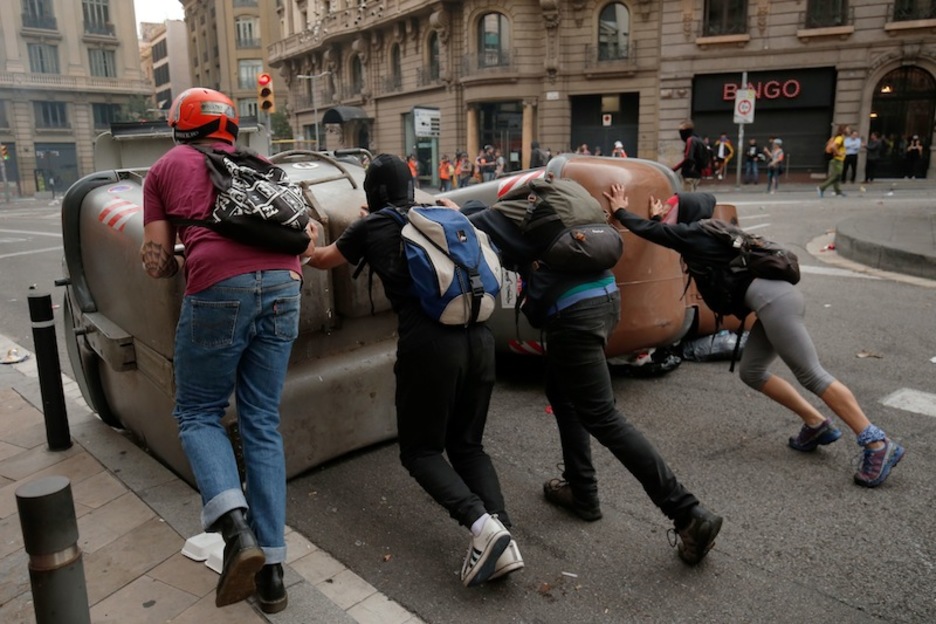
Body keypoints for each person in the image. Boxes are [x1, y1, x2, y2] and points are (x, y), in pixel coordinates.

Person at [451, 187, 723, 568]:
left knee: (602, 416)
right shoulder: (546, 212)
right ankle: (582, 490)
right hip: (605, 299)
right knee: (561, 392)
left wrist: (449, 208)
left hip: (574, 314)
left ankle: (688, 513)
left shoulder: (493, 219)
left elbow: (462, 222)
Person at [305, 154, 522, 587]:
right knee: (468, 446)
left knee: (420, 452)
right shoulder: (441, 213)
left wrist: (307, 241)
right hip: (479, 337)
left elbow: (324, 259)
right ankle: (503, 537)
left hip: (430, 346)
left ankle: (483, 528)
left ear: (373, 192)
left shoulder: (371, 226)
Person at [141, 88, 319, 613]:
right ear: (230, 128)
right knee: (262, 419)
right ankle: (273, 575)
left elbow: (155, 262)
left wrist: (176, 256)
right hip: (286, 288)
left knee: (198, 412)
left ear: (180, 126)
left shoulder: (164, 168)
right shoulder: (261, 164)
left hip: (219, 291)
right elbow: (306, 240)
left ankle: (235, 530)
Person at [604, 185, 905, 488]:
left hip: (775, 302)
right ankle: (816, 424)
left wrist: (619, 210)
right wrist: (659, 219)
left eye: (672, 210)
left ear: (686, 214)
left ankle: (876, 443)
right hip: (773, 301)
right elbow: (665, 233)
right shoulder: (709, 231)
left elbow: (651, 232)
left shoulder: (695, 232)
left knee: (812, 374)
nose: (669, 216)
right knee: (752, 372)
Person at [673, 119, 706, 192]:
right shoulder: (699, 139)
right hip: (697, 173)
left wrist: (674, 169)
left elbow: (688, 158)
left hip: (689, 174)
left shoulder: (690, 140)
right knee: (692, 196)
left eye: (681, 130)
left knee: (687, 198)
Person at [818, 124, 849, 198]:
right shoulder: (840, 138)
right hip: (837, 160)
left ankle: (838, 191)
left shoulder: (838, 137)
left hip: (836, 159)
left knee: (837, 176)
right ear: (843, 130)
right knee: (836, 176)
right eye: (847, 129)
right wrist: (839, 153)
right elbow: (833, 146)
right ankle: (822, 187)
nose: (849, 130)